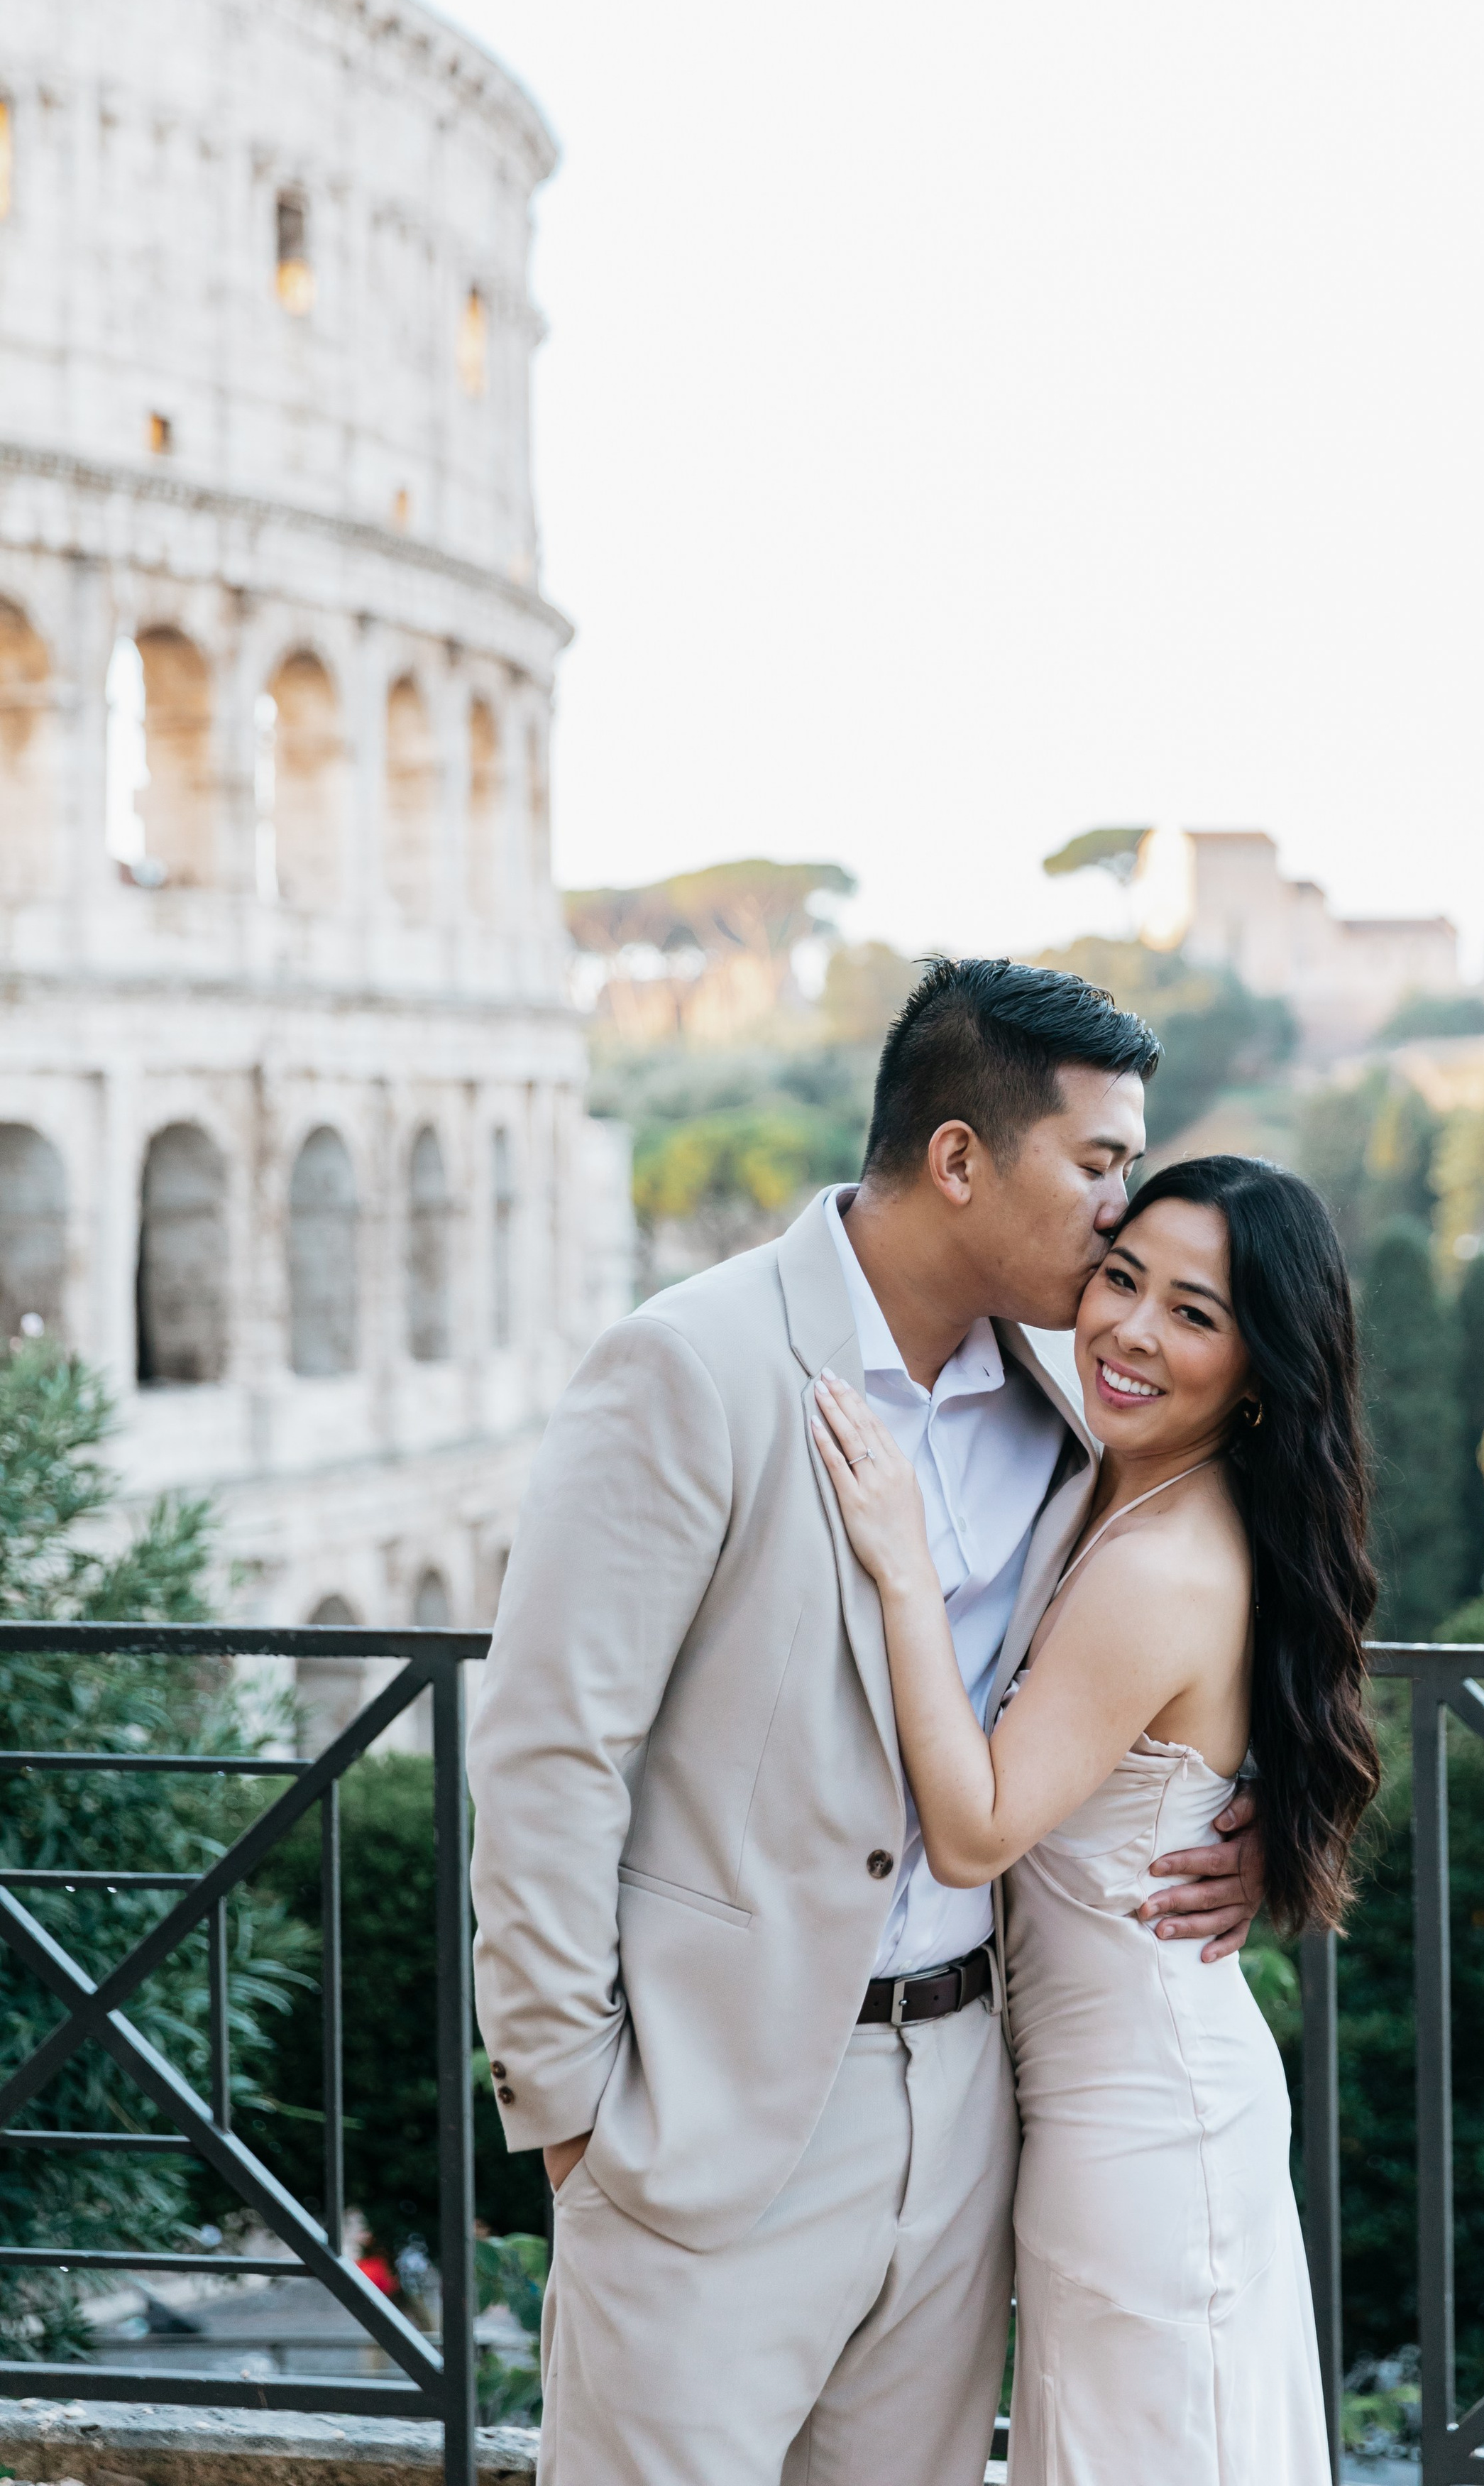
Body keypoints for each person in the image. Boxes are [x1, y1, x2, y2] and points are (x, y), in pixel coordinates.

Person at [466, 960, 1268, 2486]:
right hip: (707, 2120)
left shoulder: (1061, 1393)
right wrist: (574, 2122)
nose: (1120, 1212)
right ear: (960, 1158)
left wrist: (1257, 1818)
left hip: (971, 2105)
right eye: (1097, 1167)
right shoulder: (687, 1364)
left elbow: (1206, 1594)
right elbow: (548, 1753)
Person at [811, 1150, 1380, 2485]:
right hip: (1088, 2104)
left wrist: (901, 1562)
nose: (1131, 1331)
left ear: (1261, 1369)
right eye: (1121, 1279)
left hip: (1147, 2128)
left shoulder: (1166, 1562)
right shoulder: (1113, 1477)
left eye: (1196, 1314)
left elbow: (974, 1830)